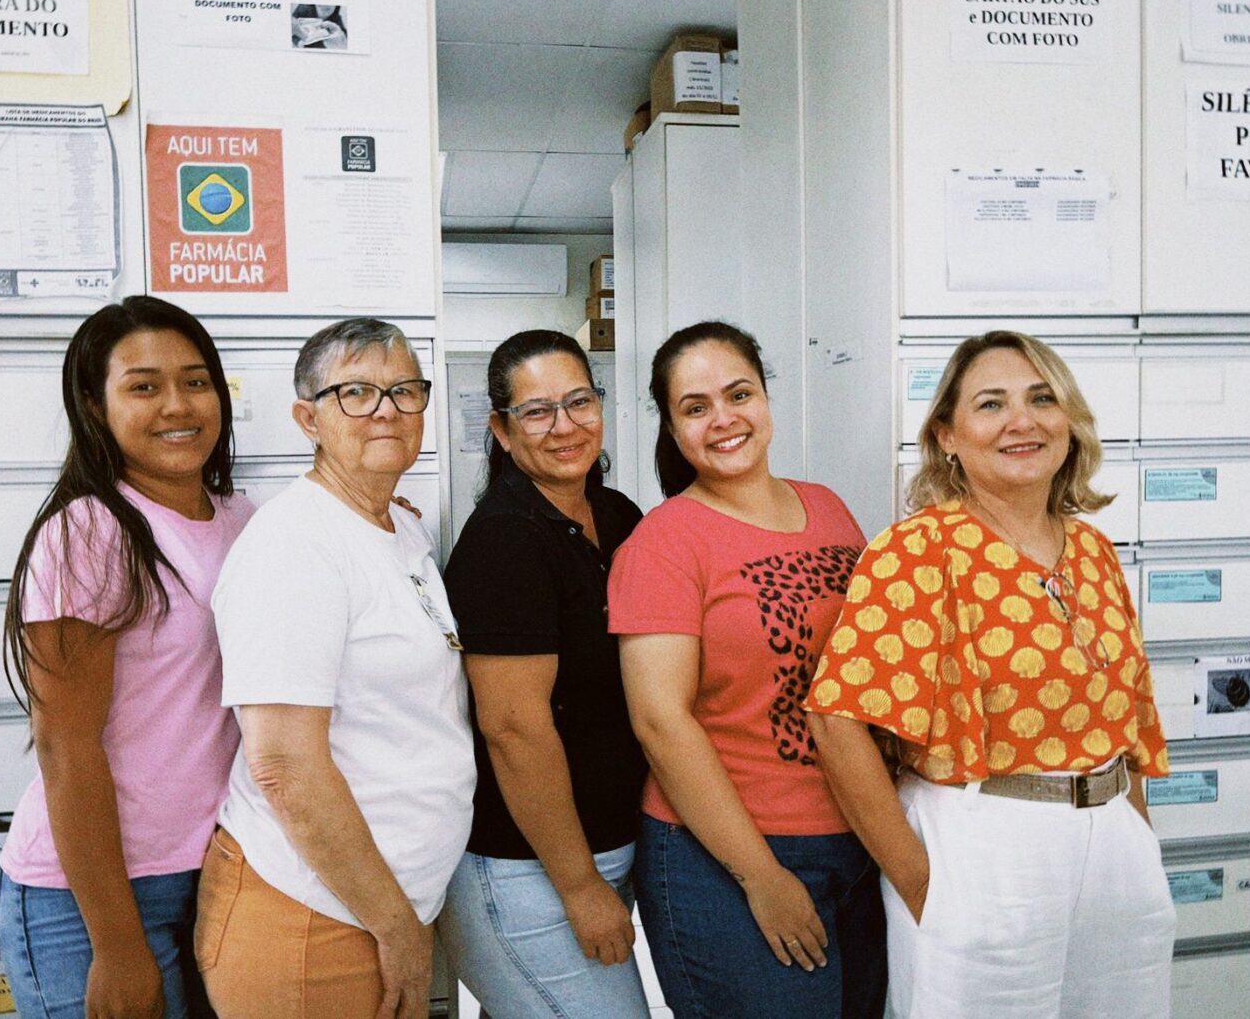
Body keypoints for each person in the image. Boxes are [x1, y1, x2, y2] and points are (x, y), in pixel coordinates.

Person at [804, 330, 1175, 1019]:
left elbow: (1123, 718)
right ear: (948, 434)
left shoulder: (1092, 549)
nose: (1022, 420)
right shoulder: (918, 550)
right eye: (991, 404)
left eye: (1041, 398)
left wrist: (1138, 842)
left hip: (1113, 839)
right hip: (987, 839)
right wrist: (921, 886)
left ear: (1068, 419)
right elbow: (835, 719)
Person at [607, 321, 887, 1019]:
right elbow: (659, 723)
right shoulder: (664, 542)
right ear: (672, 428)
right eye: (696, 407)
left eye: (739, 394)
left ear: (766, 398)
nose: (724, 419)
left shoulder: (827, 507)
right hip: (725, 855)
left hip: (857, 837)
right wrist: (761, 876)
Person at [199, 318, 474, 1019]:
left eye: (405, 390)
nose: (387, 408)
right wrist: (396, 928)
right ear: (308, 418)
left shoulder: (399, 527)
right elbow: (284, 766)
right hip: (311, 915)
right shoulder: (295, 546)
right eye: (356, 391)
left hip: (379, 908)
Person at [0, 296, 254, 1019]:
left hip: (216, 870)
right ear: (93, 402)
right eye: (143, 386)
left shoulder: (242, 520)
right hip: (93, 897)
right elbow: (65, 746)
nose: (177, 404)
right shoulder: (91, 529)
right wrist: (115, 946)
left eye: (196, 381)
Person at [437, 331, 649, 1018]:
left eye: (579, 401)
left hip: (607, 847)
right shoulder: (505, 541)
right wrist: (580, 885)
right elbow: (513, 729)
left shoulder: (617, 517)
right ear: (500, 429)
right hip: (526, 870)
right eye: (536, 411)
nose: (564, 426)